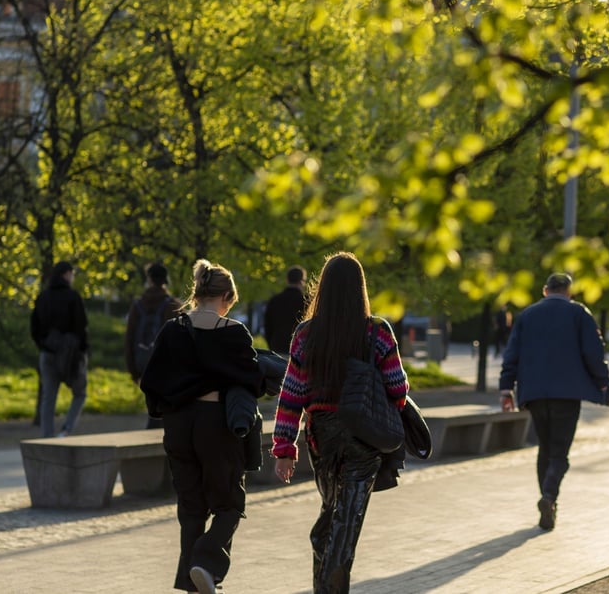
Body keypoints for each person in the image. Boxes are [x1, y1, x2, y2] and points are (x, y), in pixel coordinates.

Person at [271, 252, 409, 593]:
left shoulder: (306, 334)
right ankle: (331, 576)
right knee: (347, 521)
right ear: (360, 289)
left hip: (322, 436)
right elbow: (398, 387)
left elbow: (292, 394)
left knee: (333, 509)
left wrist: (284, 448)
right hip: (364, 436)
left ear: (324, 289)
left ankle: (322, 549)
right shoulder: (377, 331)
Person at [140, 260, 263, 594]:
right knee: (229, 505)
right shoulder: (234, 333)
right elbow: (253, 381)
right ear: (226, 295)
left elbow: (151, 380)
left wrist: (168, 407)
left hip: (178, 425)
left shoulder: (172, 329)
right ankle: (205, 563)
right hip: (216, 425)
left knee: (191, 508)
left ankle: (193, 583)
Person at [499, 272, 609, 531]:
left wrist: (506, 389)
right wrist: (601, 380)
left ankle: (548, 503)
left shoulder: (527, 315)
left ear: (545, 290)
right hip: (567, 394)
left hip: (534, 394)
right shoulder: (579, 313)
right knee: (560, 452)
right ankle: (549, 497)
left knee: (545, 449)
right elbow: (594, 351)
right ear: (569, 292)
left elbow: (511, 354)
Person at [29, 260, 89, 438]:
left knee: (49, 397)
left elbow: (34, 327)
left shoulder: (43, 297)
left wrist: (43, 345)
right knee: (80, 393)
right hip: (71, 355)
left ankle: (47, 436)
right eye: (72, 274)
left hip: (48, 353)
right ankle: (66, 429)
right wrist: (83, 351)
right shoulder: (73, 297)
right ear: (66, 274)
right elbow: (81, 326)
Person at [125, 262, 180, 429]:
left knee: (153, 400)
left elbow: (130, 338)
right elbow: (177, 339)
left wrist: (133, 369)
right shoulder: (172, 305)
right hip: (164, 363)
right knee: (161, 404)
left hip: (143, 361)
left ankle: (154, 428)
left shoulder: (137, 305)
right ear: (166, 280)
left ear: (149, 279)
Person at [264, 265, 308, 355]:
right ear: (302, 281)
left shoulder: (275, 301)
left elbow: (267, 326)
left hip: (277, 348)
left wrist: (271, 345)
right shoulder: (306, 302)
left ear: (287, 280)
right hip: (299, 350)